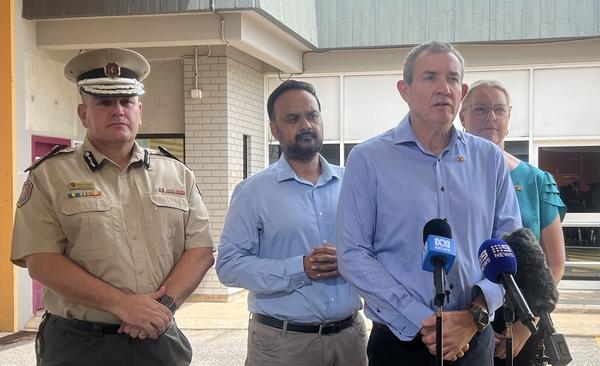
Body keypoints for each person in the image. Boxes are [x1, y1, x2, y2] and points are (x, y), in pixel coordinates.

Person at [11, 48, 215, 366]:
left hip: (158, 340)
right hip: (78, 346)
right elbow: (41, 261)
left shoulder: (176, 173)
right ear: (83, 113)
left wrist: (162, 308)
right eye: (105, 102)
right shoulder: (49, 176)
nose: (117, 110)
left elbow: (200, 250)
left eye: (126, 101)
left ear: (139, 110)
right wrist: (123, 305)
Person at [336, 41, 522, 365]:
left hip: (473, 340)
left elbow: (509, 245)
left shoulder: (489, 159)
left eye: (452, 79)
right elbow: (352, 254)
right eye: (430, 77)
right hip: (400, 341)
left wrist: (473, 315)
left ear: (462, 91)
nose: (443, 88)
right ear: (404, 90)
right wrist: (423, 319)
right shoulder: (368, 159)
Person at [216, 80, 367, 366]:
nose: (306, 125)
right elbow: (229, 266)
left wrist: (348, 260)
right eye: (293, 119)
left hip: (350, 340)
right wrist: (300, 268)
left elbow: (376, 249)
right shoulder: (254, 191)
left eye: (312, 115)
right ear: (275, 129)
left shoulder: (353, 183)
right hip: (282, 346)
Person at [459, 79, 566, 365]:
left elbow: (554, 263)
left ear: (509, 117)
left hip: (522, 318)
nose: (490, 117)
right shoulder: (446, 176)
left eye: (498, 109)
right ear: (463, 116)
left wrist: (522, 329)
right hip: (463, 316)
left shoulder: (536, 181)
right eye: (480, 109)